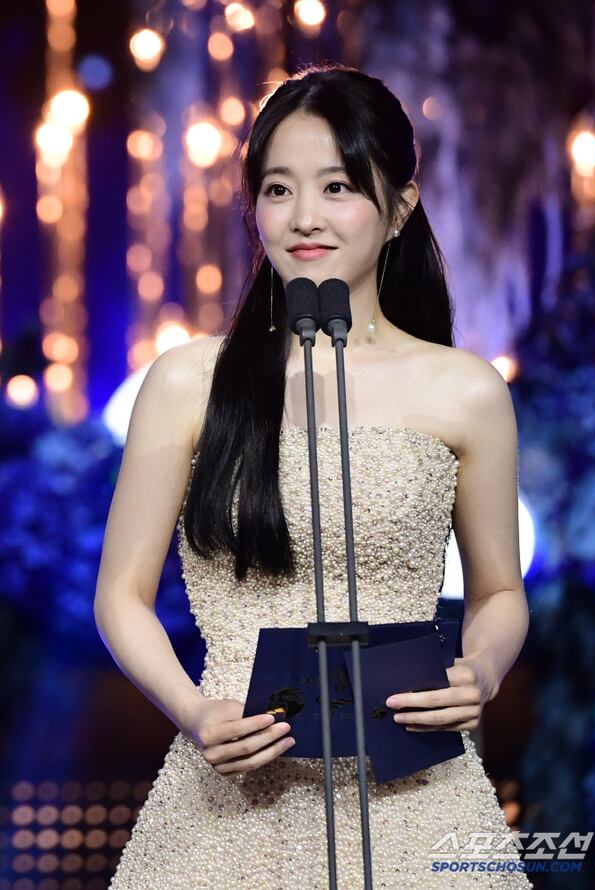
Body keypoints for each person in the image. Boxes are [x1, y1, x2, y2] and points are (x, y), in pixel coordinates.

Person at [95, 63, 532, 888]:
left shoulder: (466, 390)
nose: (304, 216)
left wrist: (480, 670)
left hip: (415, 790)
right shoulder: (190, 382)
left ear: (399, 206)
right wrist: (195, 713)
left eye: (338, 186)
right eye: (277, 189)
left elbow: (500, 592)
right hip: (231, 790)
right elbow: (120, 595)